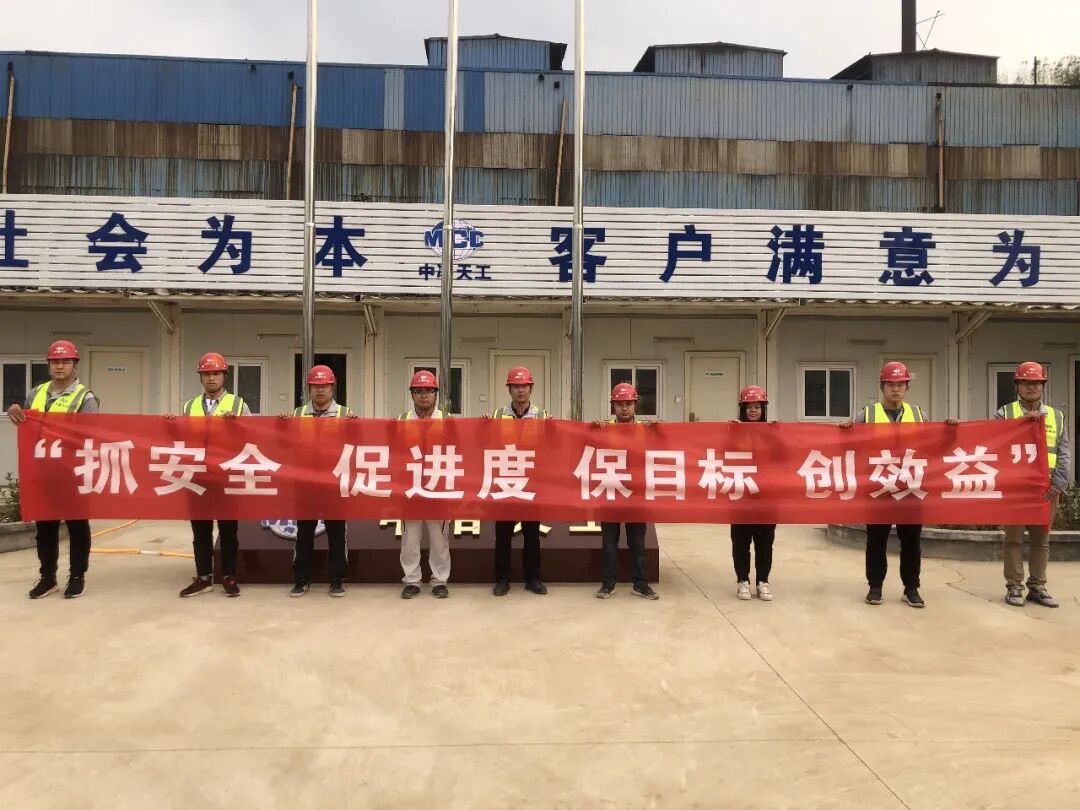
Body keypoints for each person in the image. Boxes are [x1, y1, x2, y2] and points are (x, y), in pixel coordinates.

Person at [841, 361, 954, 608]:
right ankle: (875, 587)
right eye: (891, 384)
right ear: (882, 386)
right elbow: (849, 446)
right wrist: (846, 430)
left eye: (900, 384)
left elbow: (933, 446)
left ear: (907, 387)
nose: (895, 389)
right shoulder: (866, 415)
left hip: (910, 486)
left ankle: (911, 588)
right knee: (876, 540)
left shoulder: (919, 415)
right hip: (879, 486)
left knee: (911, 541)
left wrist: (950, 432)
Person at [6, 340, 98, 599]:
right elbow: (26, 426)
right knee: (45, 528)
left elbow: (90, 434)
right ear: (48, 364)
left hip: (72, 472)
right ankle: (48, 578)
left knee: (77, 526)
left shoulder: (85, 398)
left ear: (75, 365)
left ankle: (77, 576)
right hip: (42, 471)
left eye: (65, 361)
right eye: (55, 361)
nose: (59, 366)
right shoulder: (36, 393)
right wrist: (15, 411)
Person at [995, 361, 1070, 608]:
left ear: (1043, 386)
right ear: (1017, 386)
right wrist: (1021, 423)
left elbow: (1063, 452)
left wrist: (1059, 483)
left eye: (1036, 383)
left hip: (1046, 490)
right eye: (1026, 382)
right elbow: (994, 445)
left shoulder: (1056, 416)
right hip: (1016, 490)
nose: (1031, 387)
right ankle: (1014, 586)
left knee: (1041, 540)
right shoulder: (1004, 414)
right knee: (1013, 540)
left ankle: (1037, 586)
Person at [175, 352, 249, 598]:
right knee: (201, 530)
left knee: (228, 530)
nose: (211, 378)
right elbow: (181, 438)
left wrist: (236, 425)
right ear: (200, 377)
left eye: (215, 373)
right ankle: (204, 577)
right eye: (206, 374)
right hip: (197, 475)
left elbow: (252, 437)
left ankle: (228, 576)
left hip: (226, 475)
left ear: (224, 376)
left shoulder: (238, 405)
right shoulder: (189, 407)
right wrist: (170, 425)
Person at [281, 364, 354, 598]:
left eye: (324, 386)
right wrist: (281, 426)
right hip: (306, 483)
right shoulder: (297, 415)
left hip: (334, 483)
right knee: (304, 532)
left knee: (336, 532)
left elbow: (357, 445)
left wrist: (356, 427)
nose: (319, 390)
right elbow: (284, 445)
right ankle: (301, 579)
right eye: (315, 386)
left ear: (333, 388)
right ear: (309, 388)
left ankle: (336, 579)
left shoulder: (345, 414)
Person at [591, 382, 659, 600]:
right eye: (619, 404)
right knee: (609, 544)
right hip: (610, 491)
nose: (624, 408)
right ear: (613, 406)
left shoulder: (645, 430)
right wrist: (591, 429)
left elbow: (665, 448)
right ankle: (608, 583)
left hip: (636, 494)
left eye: (628, 403)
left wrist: (661, 429)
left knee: (638, 544)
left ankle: (640, 584)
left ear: (635, 404)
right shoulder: (604, 429)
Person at [485, 366, 549, 596]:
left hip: (531, 484)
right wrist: (482, 426)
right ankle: (503, 579)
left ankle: (533, 578)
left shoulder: (542, 417)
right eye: (516, 386)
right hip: (505, 482)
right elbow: (485, 443)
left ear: (531, 388)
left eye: (524, 386)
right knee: (503, 536)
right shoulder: (496, 416)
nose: (520, 390)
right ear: (509, 389)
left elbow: (553, 447)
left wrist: (554, 429)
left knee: (532, 535)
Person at [398, 370, 452, 599]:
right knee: (410, 538)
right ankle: (412, 580)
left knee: (439, 539)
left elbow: (461, 449)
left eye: (428, 391)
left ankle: (439, 580)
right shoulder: (401, 421)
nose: (424, 395)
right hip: (410, 487)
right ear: (412, 394)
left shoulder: (448, 421)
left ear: (436, 394)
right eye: (418, 391)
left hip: (438, 486)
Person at [729, 385, 776, 602]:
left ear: (763, 408)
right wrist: (731, 432)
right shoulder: (733, 431)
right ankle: (743, 581)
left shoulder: (772, 433)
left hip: (767, 498)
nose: (754, 410)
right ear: (743, 409)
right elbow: (722, 453)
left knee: (765, 543)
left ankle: (763, 581)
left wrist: (777, 433)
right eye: (749, 407)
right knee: (740, 542)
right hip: (740, 496)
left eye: (757, 406)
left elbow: (786, 456)